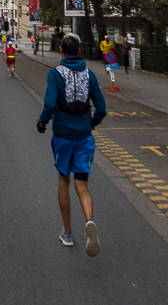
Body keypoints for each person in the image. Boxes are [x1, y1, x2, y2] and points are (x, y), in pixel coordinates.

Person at [37, 34, 107, 256]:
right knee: (82, 185)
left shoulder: (55, 74)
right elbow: (102, 108)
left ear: (61, 51)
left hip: (63, 135)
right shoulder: (90, 74)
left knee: (63, 180)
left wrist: (42, 122)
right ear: (78, 51)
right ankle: (89, 220)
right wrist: (91, 123)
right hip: (84, 135)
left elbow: (49, 103)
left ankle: (67, 232)